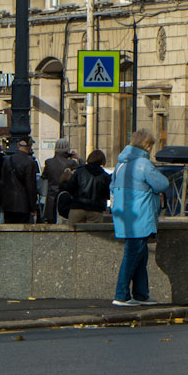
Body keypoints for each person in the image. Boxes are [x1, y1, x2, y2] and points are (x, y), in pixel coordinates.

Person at [111, 129, 170, 307]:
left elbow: (112, 186)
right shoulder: (143, 164)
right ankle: (121, 295)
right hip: (140, 217)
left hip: (124, 217)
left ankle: (141, 294)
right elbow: (162, 184)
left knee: (140, 256)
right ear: (147, 145)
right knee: (132, 256)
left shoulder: (120, 164)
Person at [62, 149, 111, 224]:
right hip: (96, 210)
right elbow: (107, 195)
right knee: (92, 231)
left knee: (74, 231)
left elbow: (70, 188)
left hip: (78, 207)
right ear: (102, 160)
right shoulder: (105, 176)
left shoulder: (79, 171)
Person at [0, 137, 39, 224]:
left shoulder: (7, 161)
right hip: (23, 206)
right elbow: (31, 186)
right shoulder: (30, 162)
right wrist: (33, 207)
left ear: (18, 145)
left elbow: (2, 183)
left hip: (8, 204)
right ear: (30, 146)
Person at [40, 139, 80, 223]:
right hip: (65, 198)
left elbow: (44, 176)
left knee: (50, 222)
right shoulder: (71, 163)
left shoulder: (49, 162)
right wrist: (78, 158)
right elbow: (83, 170)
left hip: (51, 198)